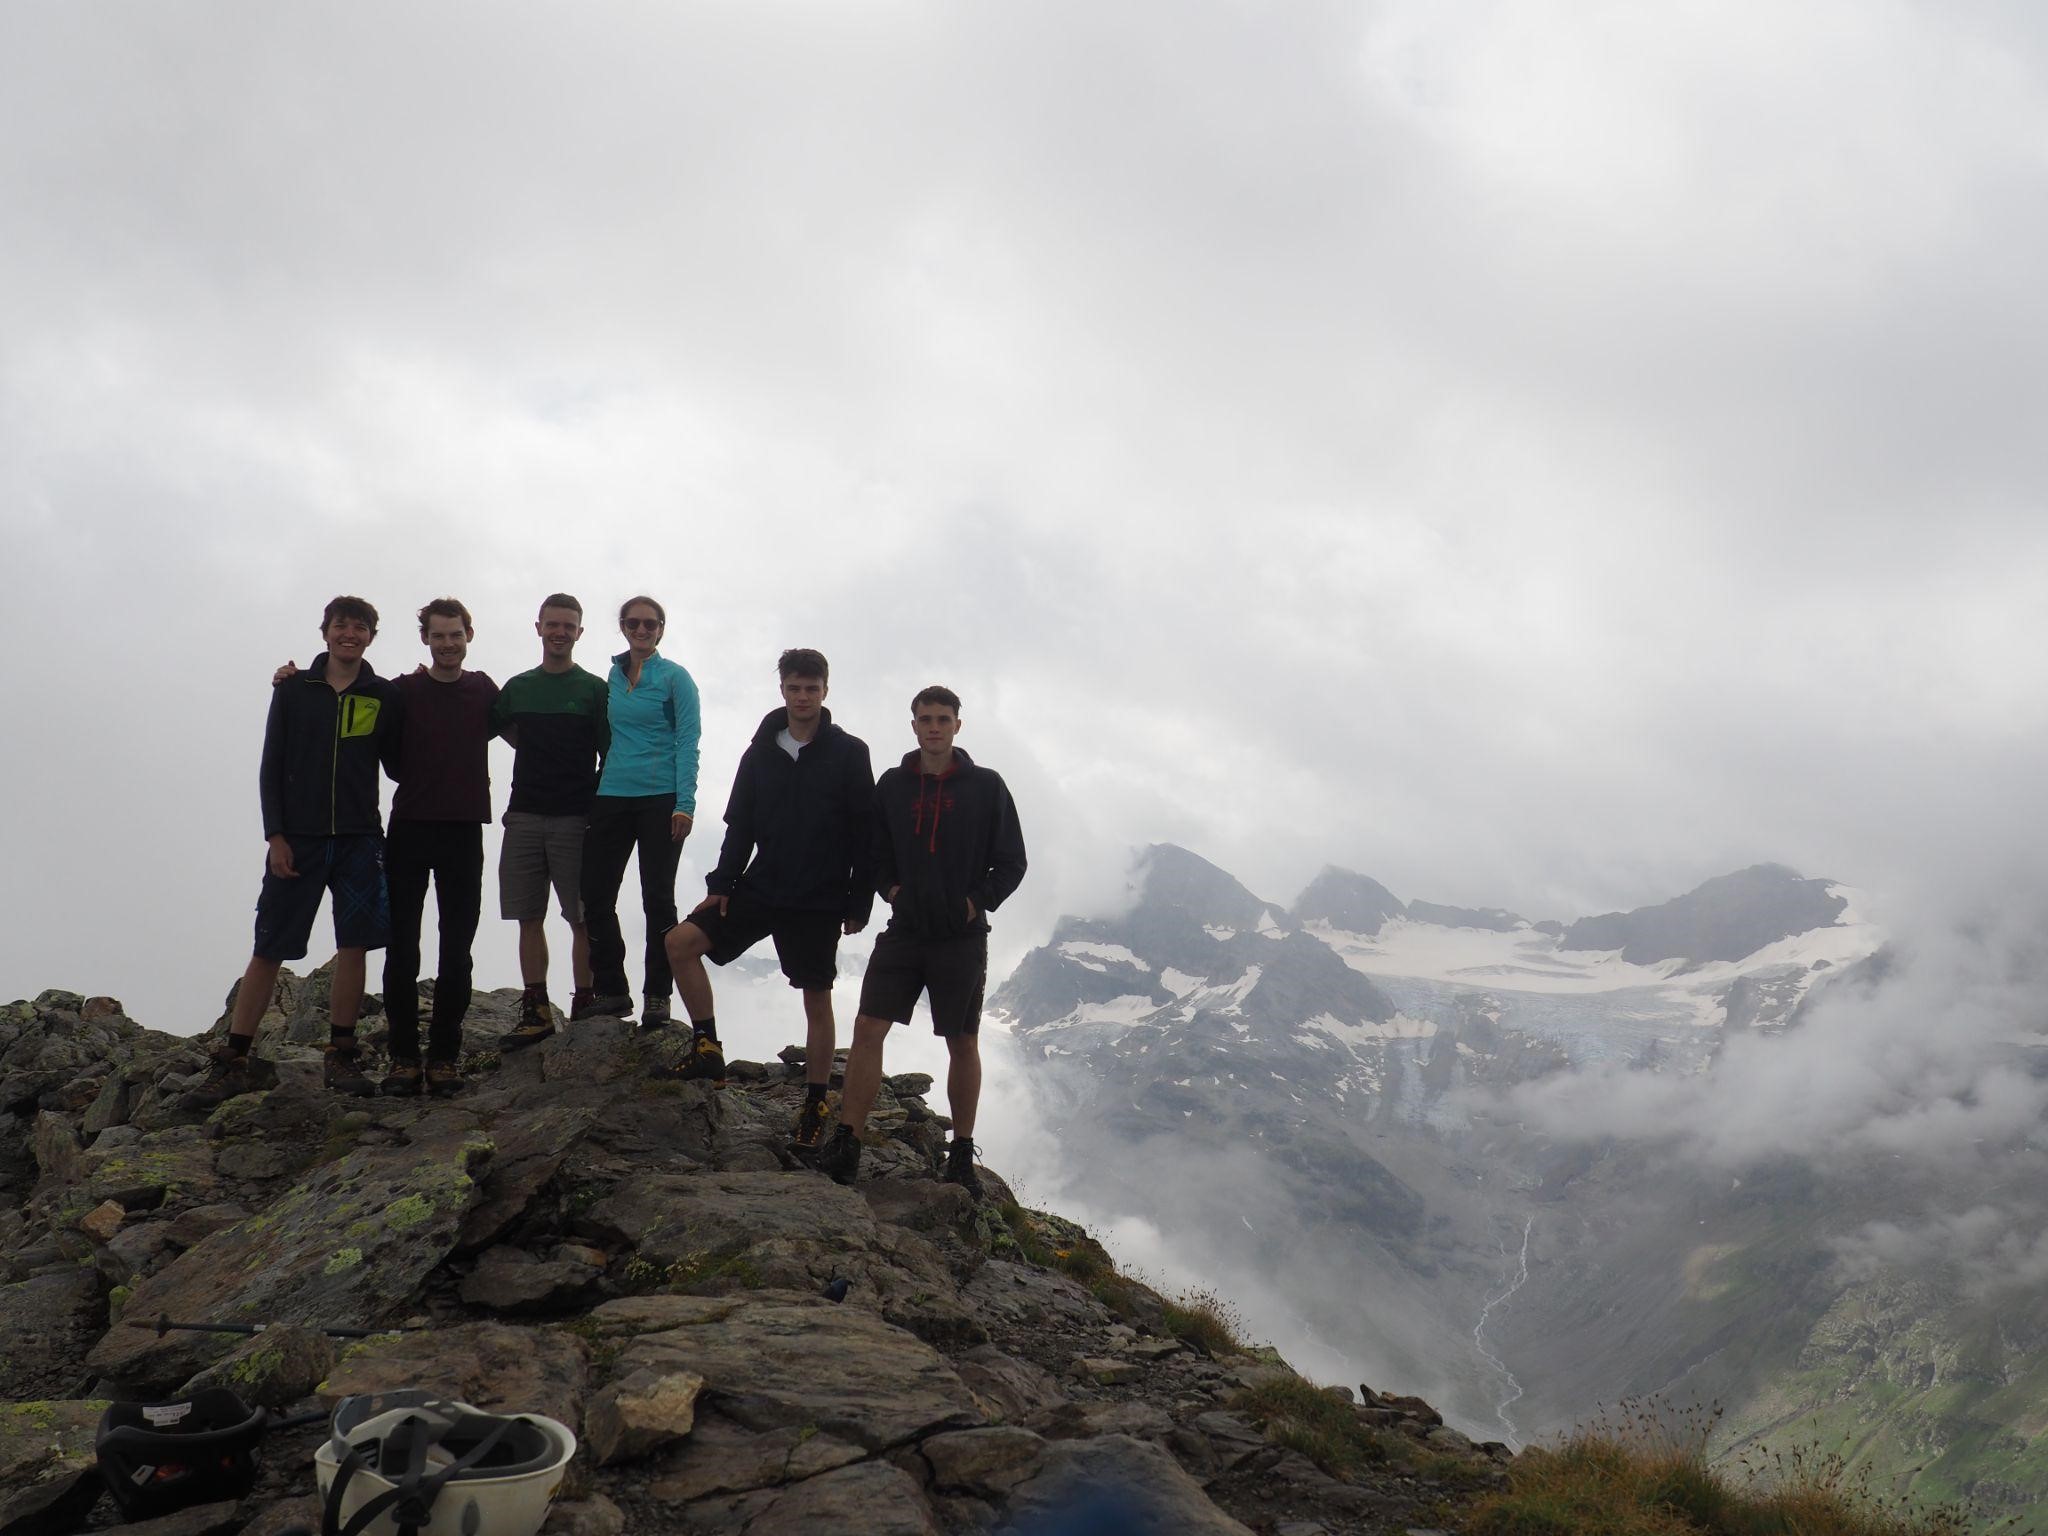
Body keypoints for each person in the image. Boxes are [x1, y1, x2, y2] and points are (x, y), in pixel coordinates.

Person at [808, 685, 1025, 1197]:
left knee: (962, 1040)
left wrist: (975, 903)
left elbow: (1012, 862)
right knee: (867, 1026)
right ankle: (846, 1143)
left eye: (943, 718)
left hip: (962, 935)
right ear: (913, 725)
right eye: (925, 718)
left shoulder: (987, 786)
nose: (934, 726)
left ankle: (962, 1156)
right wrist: (891, 890)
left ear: (957, 725)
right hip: (905, 930)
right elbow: (874, 849)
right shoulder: (893, 785)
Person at [658, 649, 875, 1151]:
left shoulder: (850, 752)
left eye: (811, 688)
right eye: (794, 688)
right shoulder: (759, 752)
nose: (802, 697)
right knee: (680, 943)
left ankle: (816, 1101)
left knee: (816, 998)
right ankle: (707, 1045)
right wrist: (721, 884)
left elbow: (866, 833)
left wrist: (858, 900)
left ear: (825, 690)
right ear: (782, 690)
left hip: (820, 896)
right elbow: (741, 826)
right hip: (761, 885)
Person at [189, 596, 402, 1106]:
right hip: (298, 839)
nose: (349, 634)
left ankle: (342, 1053)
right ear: (325, 632)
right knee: (268, 946)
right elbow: (271, 764)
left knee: (355, 943)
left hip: (358, 837)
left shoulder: (384, 694)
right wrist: (275, 836)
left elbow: (398, 762)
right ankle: (235, 1057)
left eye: (360, 627)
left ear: (371, 636)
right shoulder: (294, 690)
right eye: (340, 626)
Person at [377, 598, 499, 1096]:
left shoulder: (483, 690)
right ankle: (404, 1058)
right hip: (409, 828)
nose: (448, 644)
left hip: (463, 829)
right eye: (438, 636)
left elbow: (516, 727)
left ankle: (444, 1057)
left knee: (458, 948)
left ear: (469, 635)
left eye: (456, 635)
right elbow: (388, 756)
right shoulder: (402, 692)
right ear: (425, 639)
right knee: (402, 947)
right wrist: (293, 678)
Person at [492, 593, 610, 1049]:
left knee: (579, 916)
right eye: (552, 624)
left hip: (575, 817)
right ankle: (536, 1008)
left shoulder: (594, 689)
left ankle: (584, 1001)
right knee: (528, 916)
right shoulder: (519, 687)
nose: (559, 632)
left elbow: (609, 751)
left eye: (568, 626)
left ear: (580, 632)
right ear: (537, 627)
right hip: (523, 814)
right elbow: (493, 722)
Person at [577, 597, 700, 1028]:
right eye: (634, 622)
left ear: (661, 628)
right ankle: (612, 989)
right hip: (611, 793)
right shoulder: (611, 677)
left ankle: (657, 996)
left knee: (658, 899)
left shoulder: (675, 678)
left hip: (661, 798)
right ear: (623, 627)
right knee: (594, 893)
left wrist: (685, 804)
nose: (642, 630)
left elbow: (688, 740)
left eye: (650, 623)